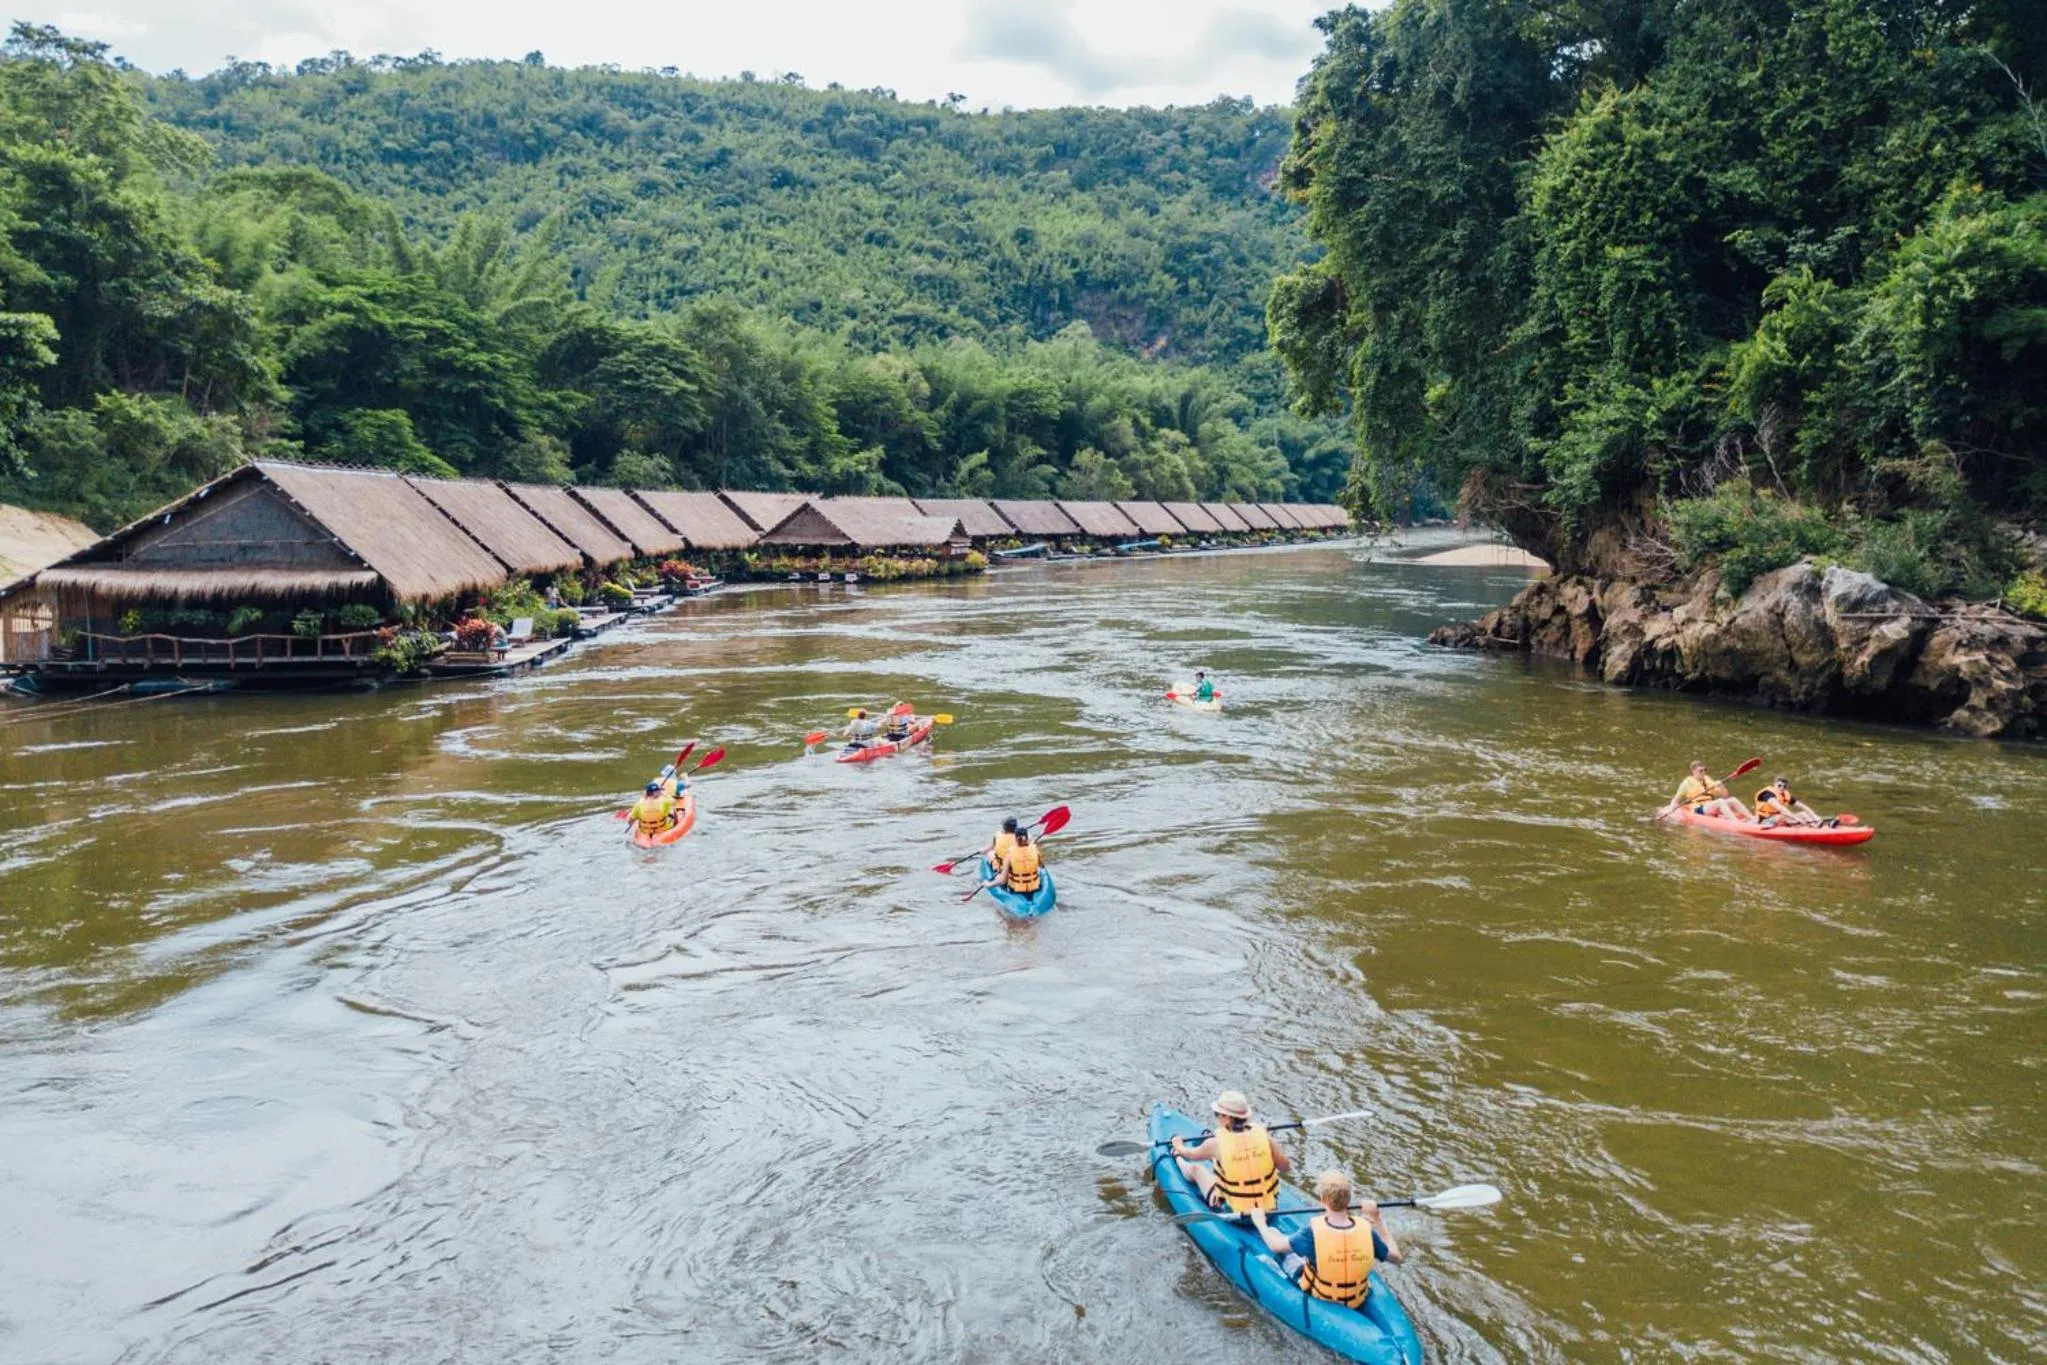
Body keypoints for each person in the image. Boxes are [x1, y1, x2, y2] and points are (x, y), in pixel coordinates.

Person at [1249, 1170, 1401, 1309]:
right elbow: (1396, 1257)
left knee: (1275, 1234)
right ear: (1348, 1200)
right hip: (1357, 1297)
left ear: (1322, 1200)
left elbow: (1275, 1246)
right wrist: (1377, 1219)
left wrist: (1260, 1222)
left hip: (1322, 1297)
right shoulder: (1366, 1230)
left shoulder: (1311, 1233)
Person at [1168, 1091, 1292, 1212]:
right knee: (1224, 1158)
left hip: (1236, 1214)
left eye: (1217, 1114)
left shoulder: (1215, 1144)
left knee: (1197, 1170)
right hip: (1269, 1209)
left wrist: (1178, 1145)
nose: (1217, 1117)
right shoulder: (1264, 1136)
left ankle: (1176, 1157)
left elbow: (1190, 1154)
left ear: (1226, 1117)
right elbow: (1285, 1167)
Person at [1664, 760, 1751, 821]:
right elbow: (1676, 800)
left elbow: (1725, 796)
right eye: (1701, 771)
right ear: (1693, 771)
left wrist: (1721, 787)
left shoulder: (1707, 779)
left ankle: (1752, 818)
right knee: (1720, 801)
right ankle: (1735, 823)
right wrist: (1670, 810)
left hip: (1710, 806)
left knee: (1733, 800)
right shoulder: (1686, 783)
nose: (1704, 772)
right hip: (1698, 809)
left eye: (1705, 770)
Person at [983, 827, 1043, 898]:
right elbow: (1041, 866)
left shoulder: (1010, 855)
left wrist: (988, 884)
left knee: (999, 876)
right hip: (1035, 888)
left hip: (1016, 890)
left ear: (1015, 839)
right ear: (1027, 839)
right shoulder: (1035, 850)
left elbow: (1003, 881)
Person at [1754, 776, 1825, 827]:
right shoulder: (1767, 794)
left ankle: (1814, 826)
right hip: (1765, 820)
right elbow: (1780, 808)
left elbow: (1803, 806)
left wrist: (1815, 817)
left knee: (1803, 814)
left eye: (1784, 786)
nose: (1782, 788)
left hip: (1780, 818)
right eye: (1779, 785)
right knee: (1782, 816)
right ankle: (1804, 825)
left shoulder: (1785, 795)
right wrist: (1795, 818)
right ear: (1774, 785)